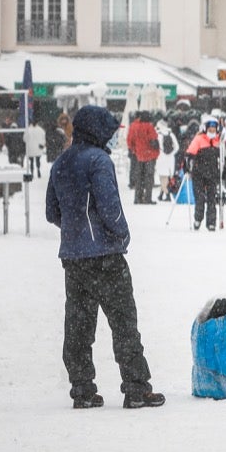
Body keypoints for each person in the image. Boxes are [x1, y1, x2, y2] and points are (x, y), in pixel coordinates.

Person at [44, 104, 164, 410]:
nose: (112, 138)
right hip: (105, 255)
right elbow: (111, 208)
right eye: (109, 133)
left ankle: (82, 389)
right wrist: (120, 235)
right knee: (123, 321)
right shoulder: (98, 161)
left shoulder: (61, 162)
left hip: (72, 257)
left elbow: (51, 212)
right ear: (97, 131)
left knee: (78, 325)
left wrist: (75, 231)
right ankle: (136, 387)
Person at [184, 117, 225, 231]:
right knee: (200, 198)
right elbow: (189, 154)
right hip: (199, 173)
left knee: (212, 198)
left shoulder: (219, 141)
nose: (212, 131)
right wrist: (186, 167)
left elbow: (223, 157)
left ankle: (211, 222)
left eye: (214, 129)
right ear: (206, 128)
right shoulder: (199, 139)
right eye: (210, 129)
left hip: (212, 174)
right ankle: (198, 219)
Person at [124, 112, 160, 205]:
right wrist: (156, 151)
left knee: (139, 177)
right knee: (149, 177)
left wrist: (134, 150)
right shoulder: (149, 126)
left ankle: (137, 198)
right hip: (150, 156)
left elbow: (129, 140)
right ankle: (147, 198)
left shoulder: (133, 126)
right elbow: (154, 139)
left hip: (138, 155)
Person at [154, 118, 178, 201]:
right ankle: (161, 195)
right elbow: (177, 147)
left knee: (162, 178)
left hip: (161, 159)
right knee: (166, 178)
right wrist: (171, 153)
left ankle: (167, 195)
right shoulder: (171, 134)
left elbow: (156, 147)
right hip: (170, 160)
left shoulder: (158, 135)